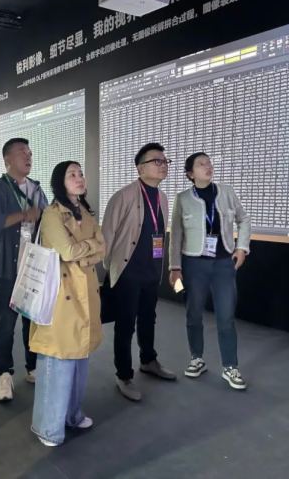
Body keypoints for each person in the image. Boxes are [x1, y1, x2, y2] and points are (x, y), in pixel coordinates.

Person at [30, 161, 105, 447]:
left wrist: (87, 252)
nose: (79, 178)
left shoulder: (86, 211)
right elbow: (68, 251)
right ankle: (47, 427)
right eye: (72, 174)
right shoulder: (52, 214)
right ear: (59, 182)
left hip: (85, 293)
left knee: (79, 360)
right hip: (61, 295)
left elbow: (102, 248)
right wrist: (91, 248)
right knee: (58, 361)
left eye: (81, 173)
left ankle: (72, 415)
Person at [169, 152, 251, 390]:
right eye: (201, 164)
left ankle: (230, 366)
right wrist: (175, 267)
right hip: (194, 265)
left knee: (226, 316)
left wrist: (242, 248)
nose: (208, 166)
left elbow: (244, 219)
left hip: (224, 264)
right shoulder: (183, 198)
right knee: (193, 313)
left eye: (209, 163)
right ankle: (197, 358)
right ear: (190, 174)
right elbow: (176, 236)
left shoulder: (226, 192)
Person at [102, 142, 176, 402]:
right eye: (157, 161)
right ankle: (123, 374)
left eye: (165, 161)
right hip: (128, 272)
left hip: (151, 272)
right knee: (125, 324)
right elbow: (107, 237)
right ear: (140, 168)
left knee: (148, 318)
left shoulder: (163, 198)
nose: (163, 165)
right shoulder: (123, 196)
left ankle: (148, 360)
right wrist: (110, 270)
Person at [0, 137, 48, 401]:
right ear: (7, 159)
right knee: (7, 323)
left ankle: (33, 367)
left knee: (32, 322)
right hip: (9, 267)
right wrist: (24, 215)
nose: (28, 156)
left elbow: (47, 218)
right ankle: (3, 374)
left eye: (30, 152)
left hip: (34, 266)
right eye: (22, 152)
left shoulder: (36, 188)